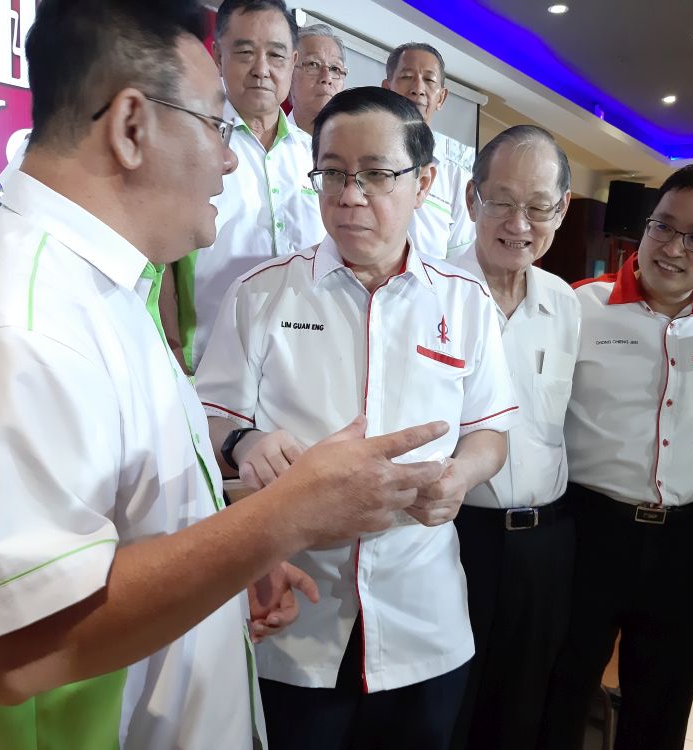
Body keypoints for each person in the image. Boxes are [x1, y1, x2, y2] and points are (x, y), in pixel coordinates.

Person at [0, 3, 451, 747]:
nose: (229, 159)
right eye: (217, 124)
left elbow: (115, 523)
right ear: (131, 126)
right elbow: (18, 643)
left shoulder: (102, 288)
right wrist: (284, 516)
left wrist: (228, 563)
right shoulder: (17, 327)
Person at [195, 86, 517, 750]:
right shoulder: (262, 292)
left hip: (422, 618)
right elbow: (208, 419)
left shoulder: (464, 304)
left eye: (375, 173)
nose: (349, 194)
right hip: (292, 614)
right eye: (333, 173)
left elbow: (491, 430)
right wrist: (246, 440)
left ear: (425, 181)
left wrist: (461, 475)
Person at [546, 164, 693, 750]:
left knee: (662, 702)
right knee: (561, 689)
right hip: (588, 528)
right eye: (663, 227)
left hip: (683, 543)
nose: (673, 248)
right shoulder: (578, 308)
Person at [447, 125, 581, 750]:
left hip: (542, 542)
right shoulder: (429, 293)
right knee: (448, 704)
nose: (518, 222)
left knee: (522, 707)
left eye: (537, 206)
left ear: (562, 209)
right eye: (500, 200)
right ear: (472, 200)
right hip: (452, 539)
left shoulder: (565, 302)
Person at [163, 0, 326, 373]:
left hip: (300, 365)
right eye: (245, 52)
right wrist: (172, 353)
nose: (262, 70)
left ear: (294, 62)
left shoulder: (314, 157)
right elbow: (161, 260)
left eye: (276, 55)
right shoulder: (189, 140)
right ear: (218, 55)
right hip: (207, 365)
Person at [382, 42, 475, 259]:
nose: (418, 88)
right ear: (386, 89)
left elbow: (460, 259)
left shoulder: (457, 173)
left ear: (441, 98)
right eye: (406, 77)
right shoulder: (359, 149)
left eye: (429, 80)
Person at [288, 23, 347, 136]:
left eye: (335, 68)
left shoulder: (355, 147)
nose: (327, 78)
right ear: (288, 75)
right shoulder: (266, 140)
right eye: (313, 64)